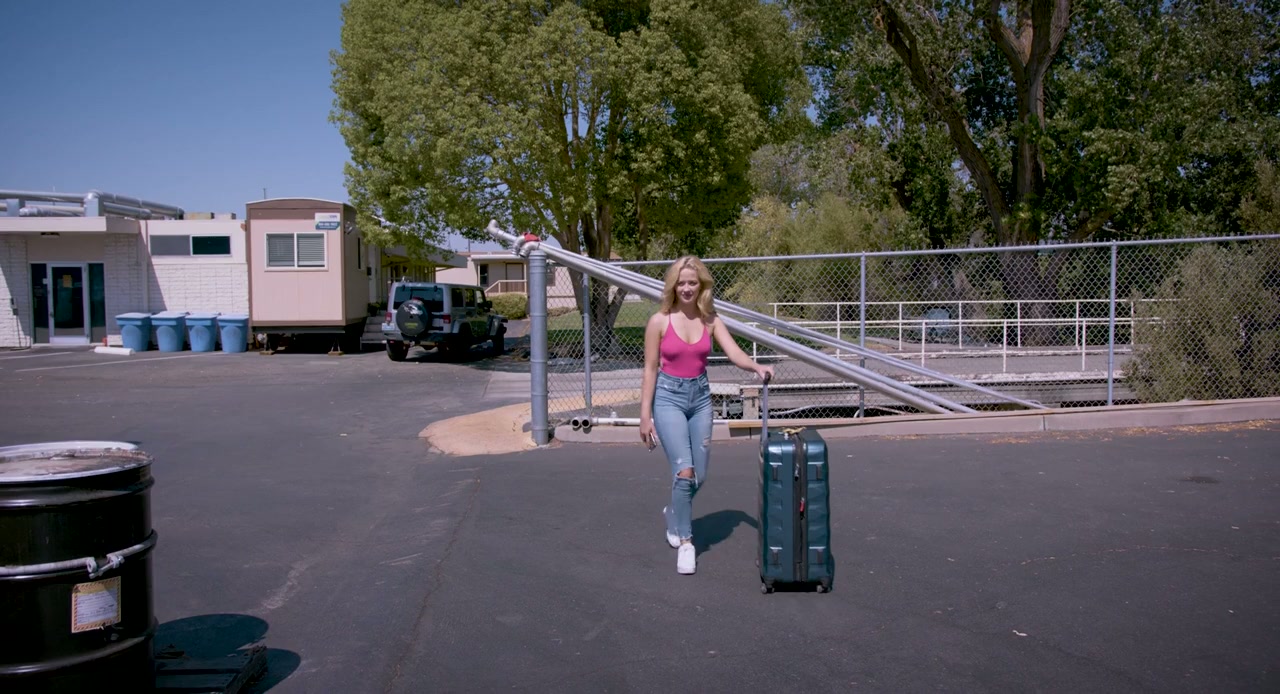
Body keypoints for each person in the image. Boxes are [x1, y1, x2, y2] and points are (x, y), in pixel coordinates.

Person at [639, 256, 774, 575]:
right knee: (684, 471)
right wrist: (645, 415)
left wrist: (756, 366)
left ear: (701, 286)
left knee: (699, 475)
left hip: (700, 398)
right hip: (669, 399)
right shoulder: (659, 321)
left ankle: (675, 511)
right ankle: (686, 542)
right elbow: (649, 369)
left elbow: (734, 352)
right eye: (681, 283)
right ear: (673, 286)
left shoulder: (710, 320)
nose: (687, 288)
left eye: (692, 282)